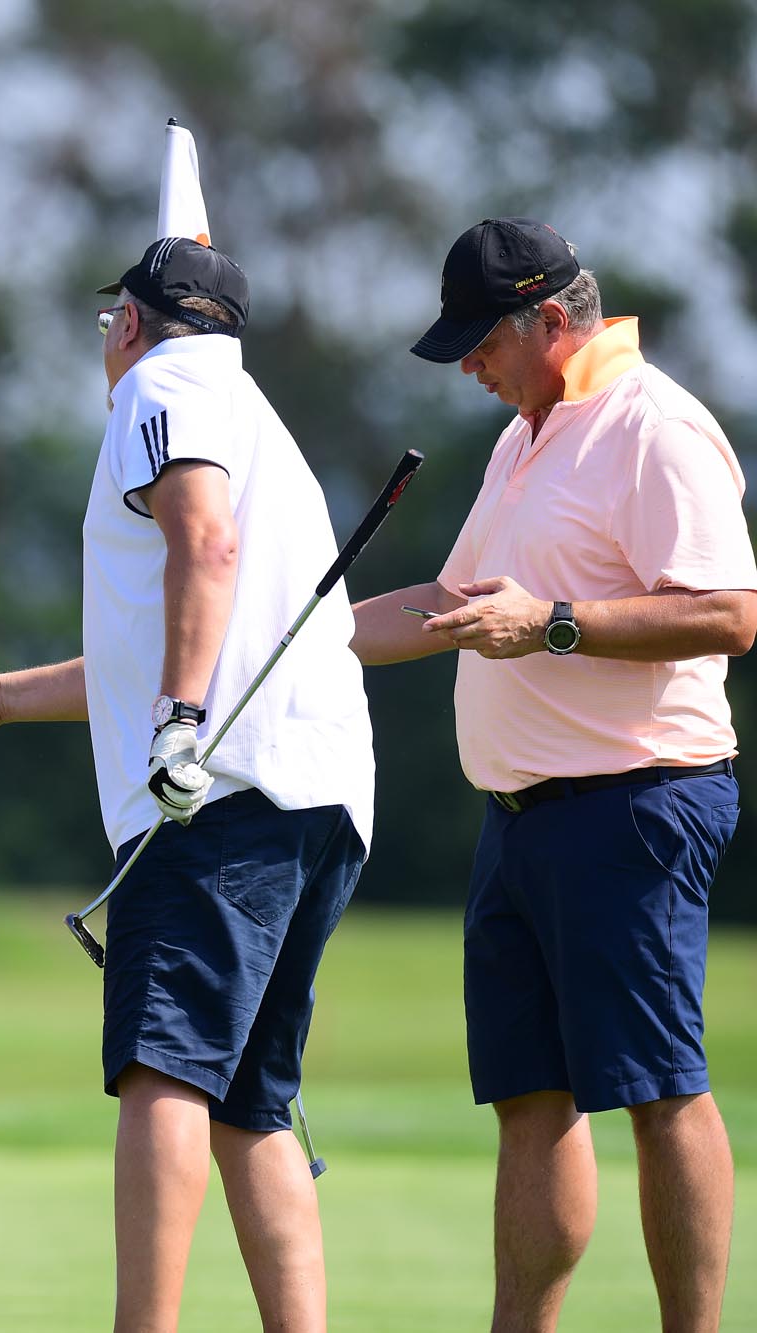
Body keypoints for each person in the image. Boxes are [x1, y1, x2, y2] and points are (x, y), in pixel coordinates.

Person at [0, 238, 376, 1330]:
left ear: (129, 323)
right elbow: (158, 636)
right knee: (252, 1102)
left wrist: (176, 729)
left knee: (162, 1071)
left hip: (213, 792)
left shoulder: (160, 387)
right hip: (314, 793)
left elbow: (202, 548)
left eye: (103, 325)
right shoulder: (255, 414)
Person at [350, 217, 757, 1332]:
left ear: (548, 319)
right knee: (530, 1102)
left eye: (481, 341)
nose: (469, 366)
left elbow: (729, 613)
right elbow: (450, 602)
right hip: (519, 820)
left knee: (661, 1092)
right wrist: (294, 640)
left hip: (632, 801)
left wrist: (556, 626)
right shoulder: (526, 433)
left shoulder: (653, 426)